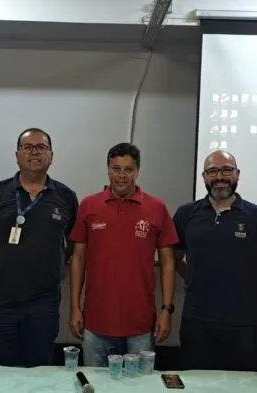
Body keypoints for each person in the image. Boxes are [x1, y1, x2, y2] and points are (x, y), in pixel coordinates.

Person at [0, 128, 79, 367]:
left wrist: (57, 264)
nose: (35, 153)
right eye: (28, 147)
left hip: (44, 303)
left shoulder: (66, 196)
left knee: (39, 371)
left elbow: (74, 245)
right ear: (17, 154)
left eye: (42, 147)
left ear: (51, 156)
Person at [68, 143, 178, 367]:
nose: (121, 176)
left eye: (128, 169)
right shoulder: (89, 205)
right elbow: (78, 259)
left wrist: (167, 310)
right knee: (95, 386)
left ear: (137, 171)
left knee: (137, 387)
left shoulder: (157, 208)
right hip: (96, 321)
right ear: (108, 169)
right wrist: (75, 308)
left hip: (140, 324)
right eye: (116, 168)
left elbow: (168, 263)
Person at [172, 150, 257, 371]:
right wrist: (193, 278)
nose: (220, 177)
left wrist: (248, 289)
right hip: (196, 321)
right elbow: (173, 258)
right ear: (204, 176)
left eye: (226, 170)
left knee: (238, 384)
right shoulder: (186, 214)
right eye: (213, 171)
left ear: (237, 174)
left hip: (241, 323)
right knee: (196, 383)